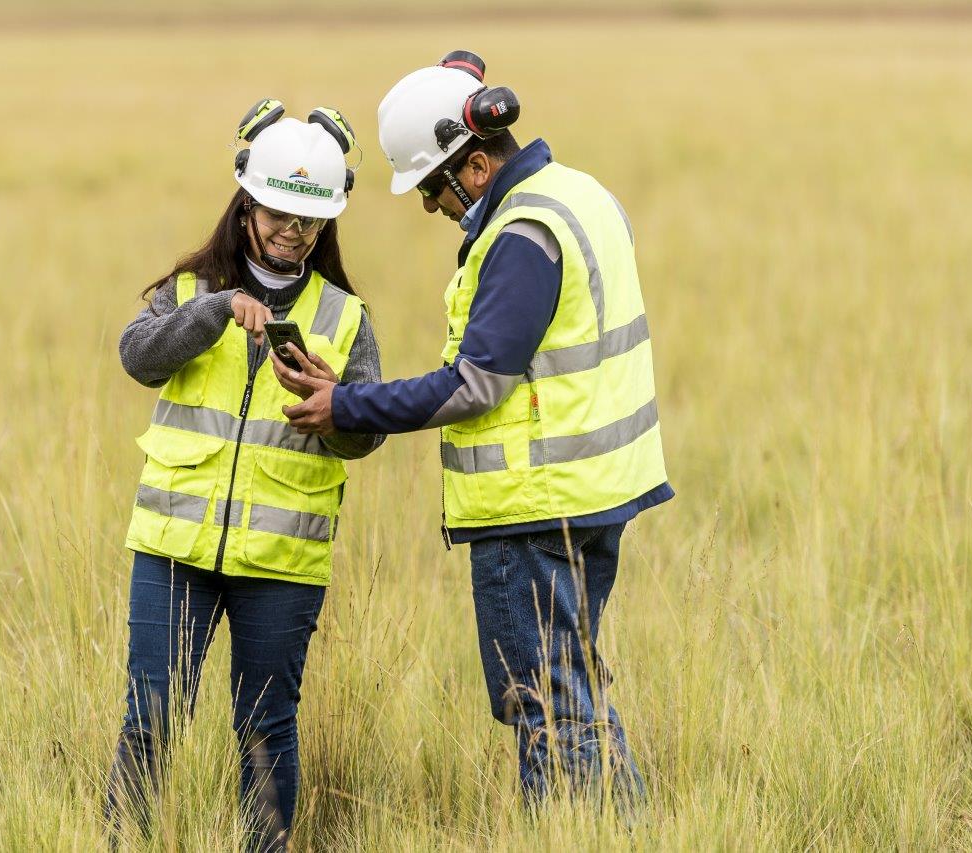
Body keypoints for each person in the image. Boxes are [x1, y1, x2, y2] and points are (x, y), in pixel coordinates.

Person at [273, 53, 673, 807]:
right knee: (573, 692)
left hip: (533, 509)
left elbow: (477, 382)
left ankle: (576, 831)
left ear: (479, 164)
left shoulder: (524, 233)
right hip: (593, 496)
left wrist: (347, 405)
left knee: (544, 706)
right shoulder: (580, 194)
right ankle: (629, 827)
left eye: (432, 187)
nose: (433, 207)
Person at [106, 100, 384, 851]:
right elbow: (137, 356)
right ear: (246, 202)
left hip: (283, 563)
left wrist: (338, 406)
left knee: (266, 728)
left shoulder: (347, 315)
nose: (294, 231)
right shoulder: (195, 290)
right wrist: (220, 311)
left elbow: (366, 441)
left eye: (310, 220)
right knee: (151, 714)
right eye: (279, 213)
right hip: (173, 552)